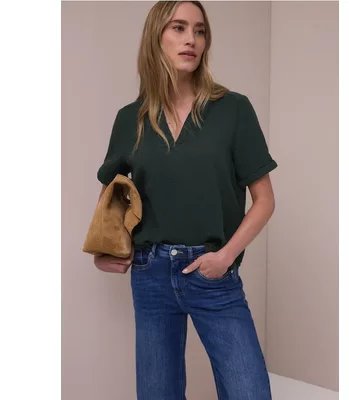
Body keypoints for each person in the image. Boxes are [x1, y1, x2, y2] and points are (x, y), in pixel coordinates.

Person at [94, 1, 278, 399]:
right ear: (156, 36)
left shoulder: (233, 109)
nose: (191, 39)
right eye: (178, 28)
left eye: (199, 30)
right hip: (150, 274)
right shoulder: (131, 118)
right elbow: (112, 194)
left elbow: (264, 200)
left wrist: (225, 256)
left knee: (249, 392)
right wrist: (106, 249)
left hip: (213, 271)